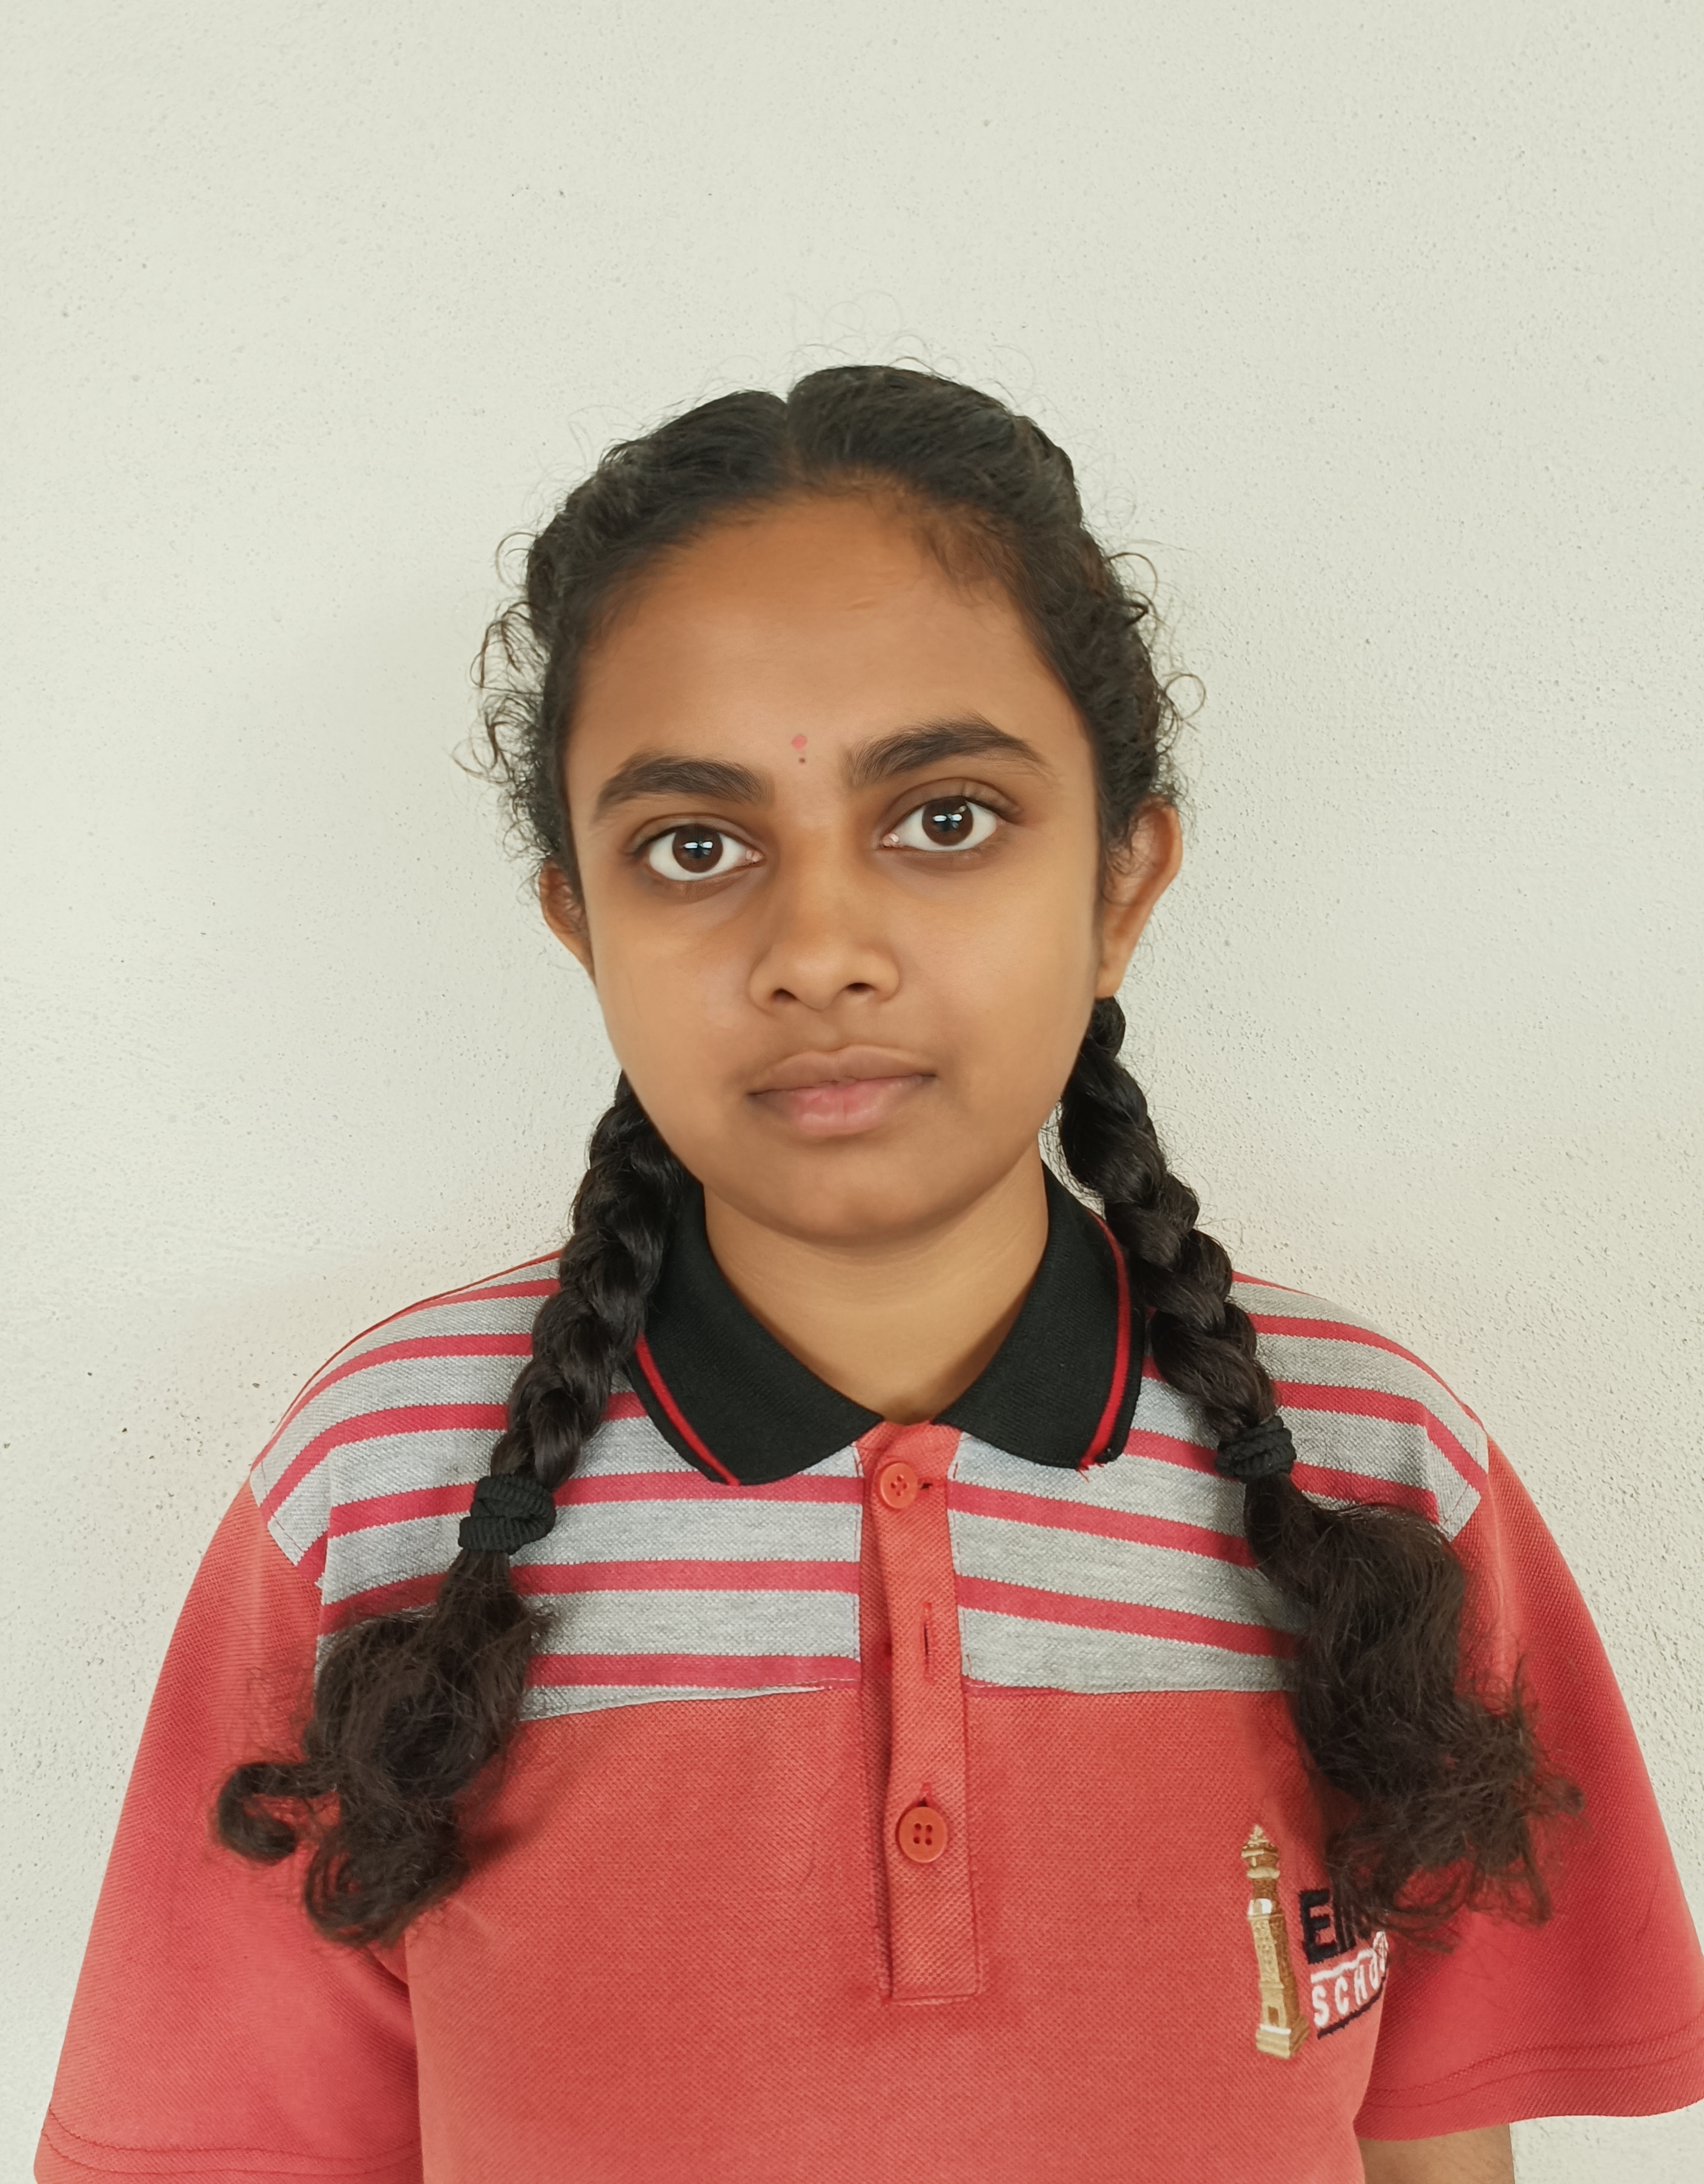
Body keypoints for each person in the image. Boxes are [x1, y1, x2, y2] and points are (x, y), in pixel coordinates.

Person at [37, 366, 1704, 2184]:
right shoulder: (379, 1484)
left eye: (947, 818)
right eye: (695, 847)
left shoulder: (1372, 1469)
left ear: (1124, 879)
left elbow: (1435, 2143)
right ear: (578, 918)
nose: (819, 948)